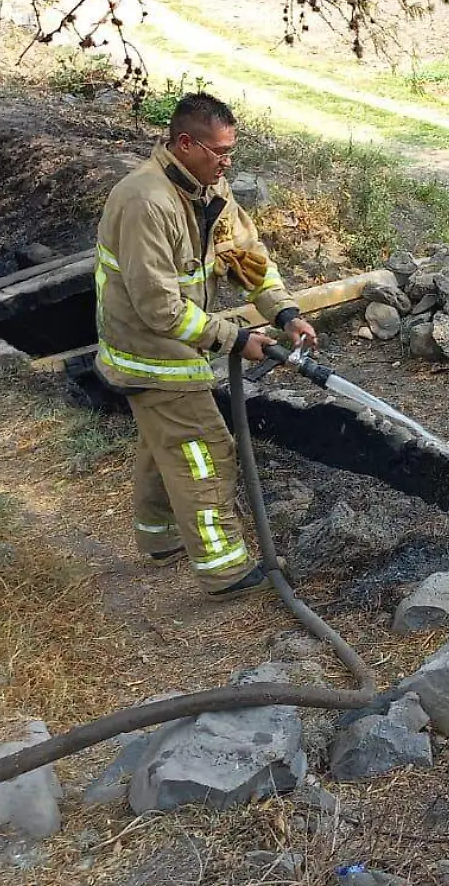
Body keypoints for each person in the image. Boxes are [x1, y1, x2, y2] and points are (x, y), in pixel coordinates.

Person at [93, 92, 317, 601]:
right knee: (205, 451)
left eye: (231, 150)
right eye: (219, 151)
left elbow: (247, 256)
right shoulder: (145, 201)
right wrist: (236, 339)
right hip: (151, 352)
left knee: (164, 445)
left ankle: (160, 536)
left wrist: (284, 311)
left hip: (174, 346)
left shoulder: (207, 189)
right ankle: (224, 570)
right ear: (185, 143)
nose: (227, 161)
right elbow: (159, 307)